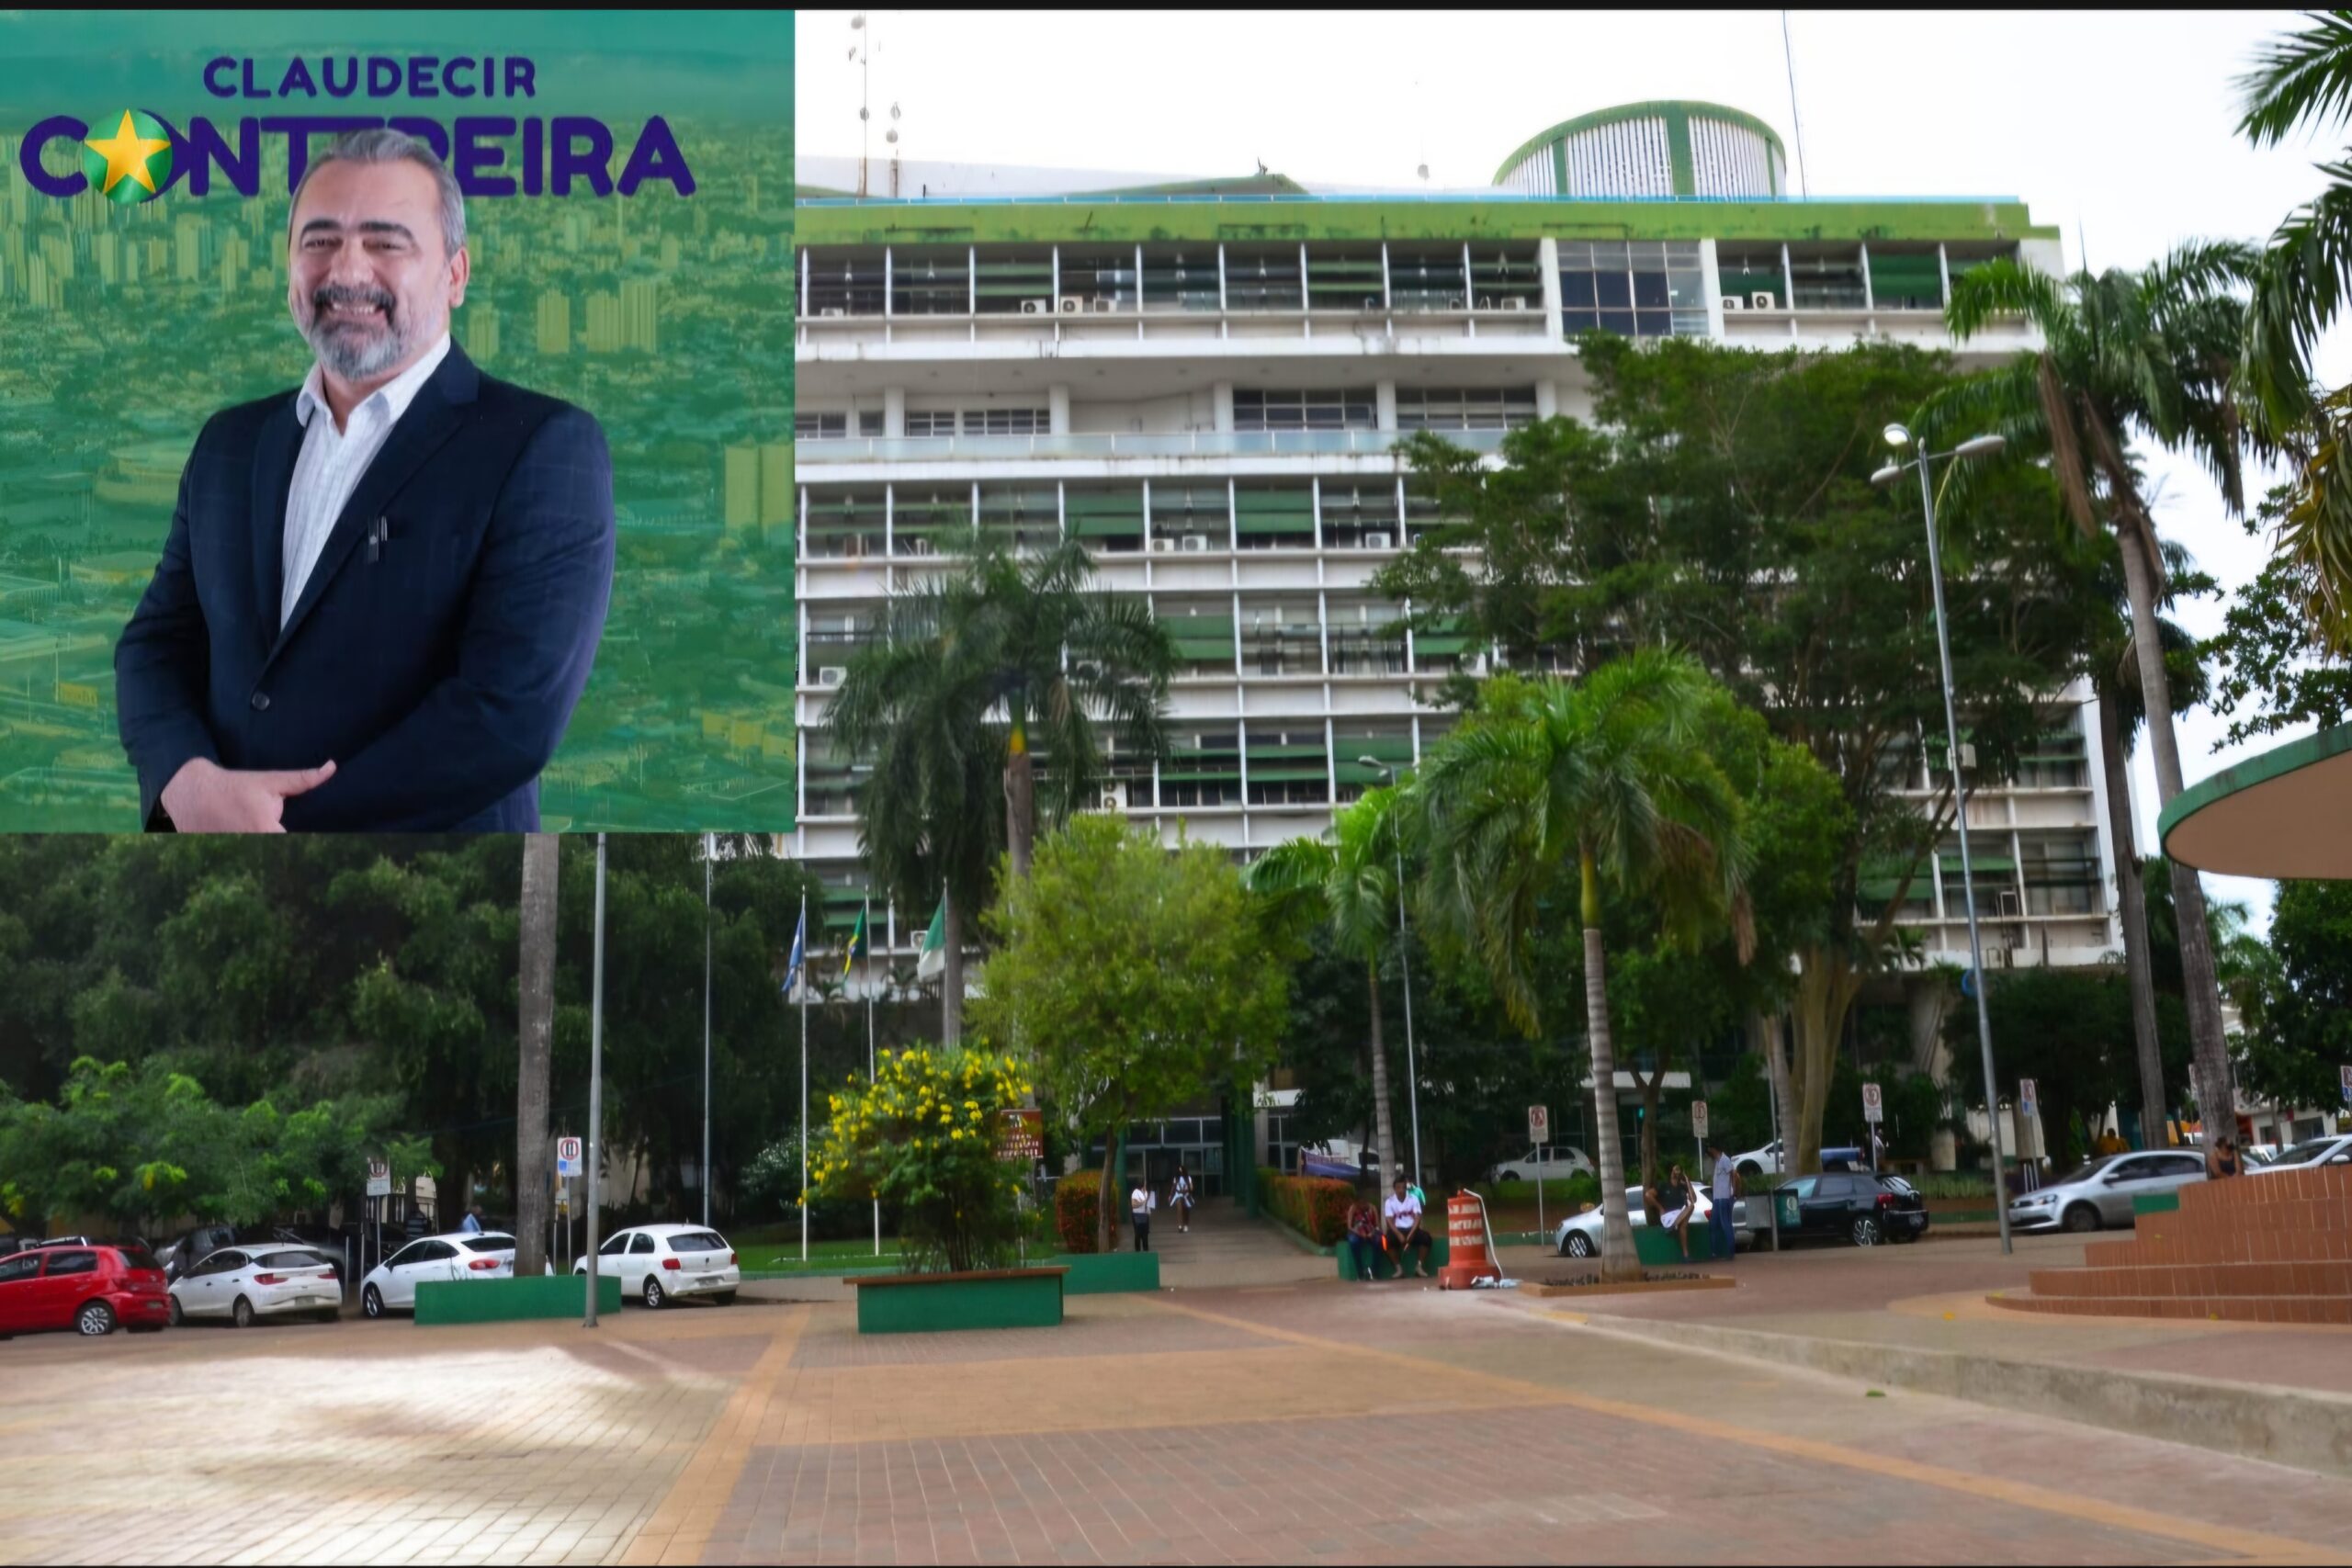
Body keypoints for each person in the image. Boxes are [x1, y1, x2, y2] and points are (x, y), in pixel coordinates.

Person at [115, 128, 615, 832]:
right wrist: (185, 781)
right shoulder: (229, 445)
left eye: (385, 242)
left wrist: (270, 822)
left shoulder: (542, 447)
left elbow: (507, 718)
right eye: (319, 241)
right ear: (289, 266)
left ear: (456, 274)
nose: (346, 271)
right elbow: (156, 646)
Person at [1383, 1172, 1432, 1280]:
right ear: (1394, 1189)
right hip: (1397, 1230)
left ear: (1406, 1188)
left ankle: (1419, 1267)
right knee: (1385, 1241)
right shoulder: (1389, 1202)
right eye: (1398, 1187)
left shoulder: (1413, 1199)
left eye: (1403, 1187)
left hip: (1412, 1228)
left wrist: (1411, 1233)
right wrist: (1399, 1234)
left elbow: (1418, 1217)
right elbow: (1389, 1221)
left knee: (1426, 1238)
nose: (1401, 1190)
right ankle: (1398, 1269)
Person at [1652, 1164, 1696, 1261]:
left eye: (1679, 1169)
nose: (1677, 1171)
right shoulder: (1663, 1185)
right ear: (1671, 1171)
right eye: (1675, 1169)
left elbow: (1694, 1200)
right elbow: (1648, 1195)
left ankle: (1686, 1255)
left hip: (1679, 1214)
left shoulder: (1682, 1186)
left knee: (1691, 1207)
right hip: (1667, 1216)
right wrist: (1660, 1208)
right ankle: (1673, 1225)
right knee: (1684, 1222)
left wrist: (1688, 1183)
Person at [1706, 1143, 1739, 1261]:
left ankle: (1731, 1252)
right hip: (1716, 1198)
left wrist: (1733, 1191)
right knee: (1713, 1225)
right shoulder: (1717, 1162)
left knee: (1726, 1224)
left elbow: (1733, 1175)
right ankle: (1714, 1252)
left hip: (1723, 1197)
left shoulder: (1725, 1160)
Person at [1343, 1194, 1382, 1282]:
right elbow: (1349, 1227)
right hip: (1357, 1232)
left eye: (1364, 1202)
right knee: (1353, 1242)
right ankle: (1360, 1273)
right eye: (1360, 1203)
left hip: (1371, 1231)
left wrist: (1372, 1233)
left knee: (1378, 1241)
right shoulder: (1353, 1208)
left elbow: (1377, 1225)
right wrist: (1360, 1233)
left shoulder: (1372, 1208)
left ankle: (1374, 1272)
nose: (1363, 1205)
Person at [1128, 1177, 1154, 1252]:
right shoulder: (1135, 1192)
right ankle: (1138, 1250)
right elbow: (1133, 1205)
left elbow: (1147, 1204)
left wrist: (1148, 1210)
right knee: (1138, 1234)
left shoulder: (1145, 1192)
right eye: (1145, 1182)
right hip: (1137, 1215)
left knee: (1145, 1234)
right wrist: (1142, 1203)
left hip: (1144, 1215)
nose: (1146, 1184)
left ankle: (1146, 1250)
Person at [1170, 1164, 1194, 1235]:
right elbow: (1173, 1186)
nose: (1180, 1171)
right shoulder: (1176, 1178)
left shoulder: (1188, 1178)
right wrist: (1170, 1195)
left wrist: (1190, 1189)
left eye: (1181, 1170)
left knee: (1186, 1210)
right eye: (1179, 1170)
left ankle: (1186, 1225)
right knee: (1179, 1210)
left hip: (1186, 1195)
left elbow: (1191, 1187)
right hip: (1178, 1194)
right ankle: (1180, 1225)